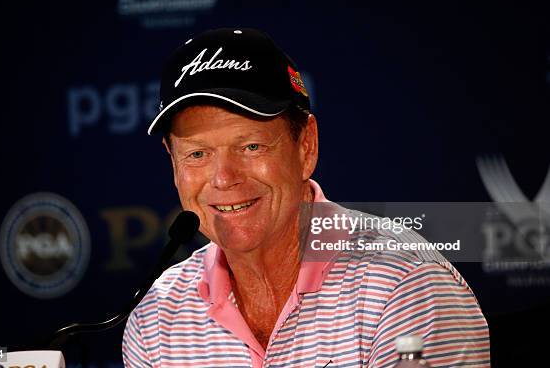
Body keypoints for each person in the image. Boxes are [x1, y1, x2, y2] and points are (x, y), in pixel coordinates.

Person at [122, 28, 490, 367]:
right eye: (197, 154)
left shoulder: (404, 284)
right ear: (173, 164)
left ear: (306, 147)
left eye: (252, 146)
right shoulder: (156, 317)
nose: (224, 178)